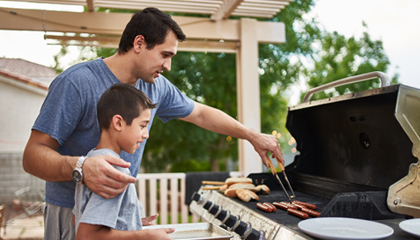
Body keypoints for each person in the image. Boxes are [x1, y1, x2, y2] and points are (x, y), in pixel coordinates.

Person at [22, 7, 284, 240]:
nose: (168, 66)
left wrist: (252, 136)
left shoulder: (155, 86)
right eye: (165, 55)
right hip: (71, 215)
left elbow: (201, 114)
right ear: (139, 43)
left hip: (115, 219)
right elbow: (32, 156)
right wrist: (81, 167)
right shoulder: (76, 83)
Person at [73, 83, 173, 239]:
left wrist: (132, 223)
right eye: (143, 126)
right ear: (118, 123)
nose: (146, 135)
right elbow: (87, 236)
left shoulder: (92, 161)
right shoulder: (114, 170)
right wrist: (146, 236)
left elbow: (77, 219)